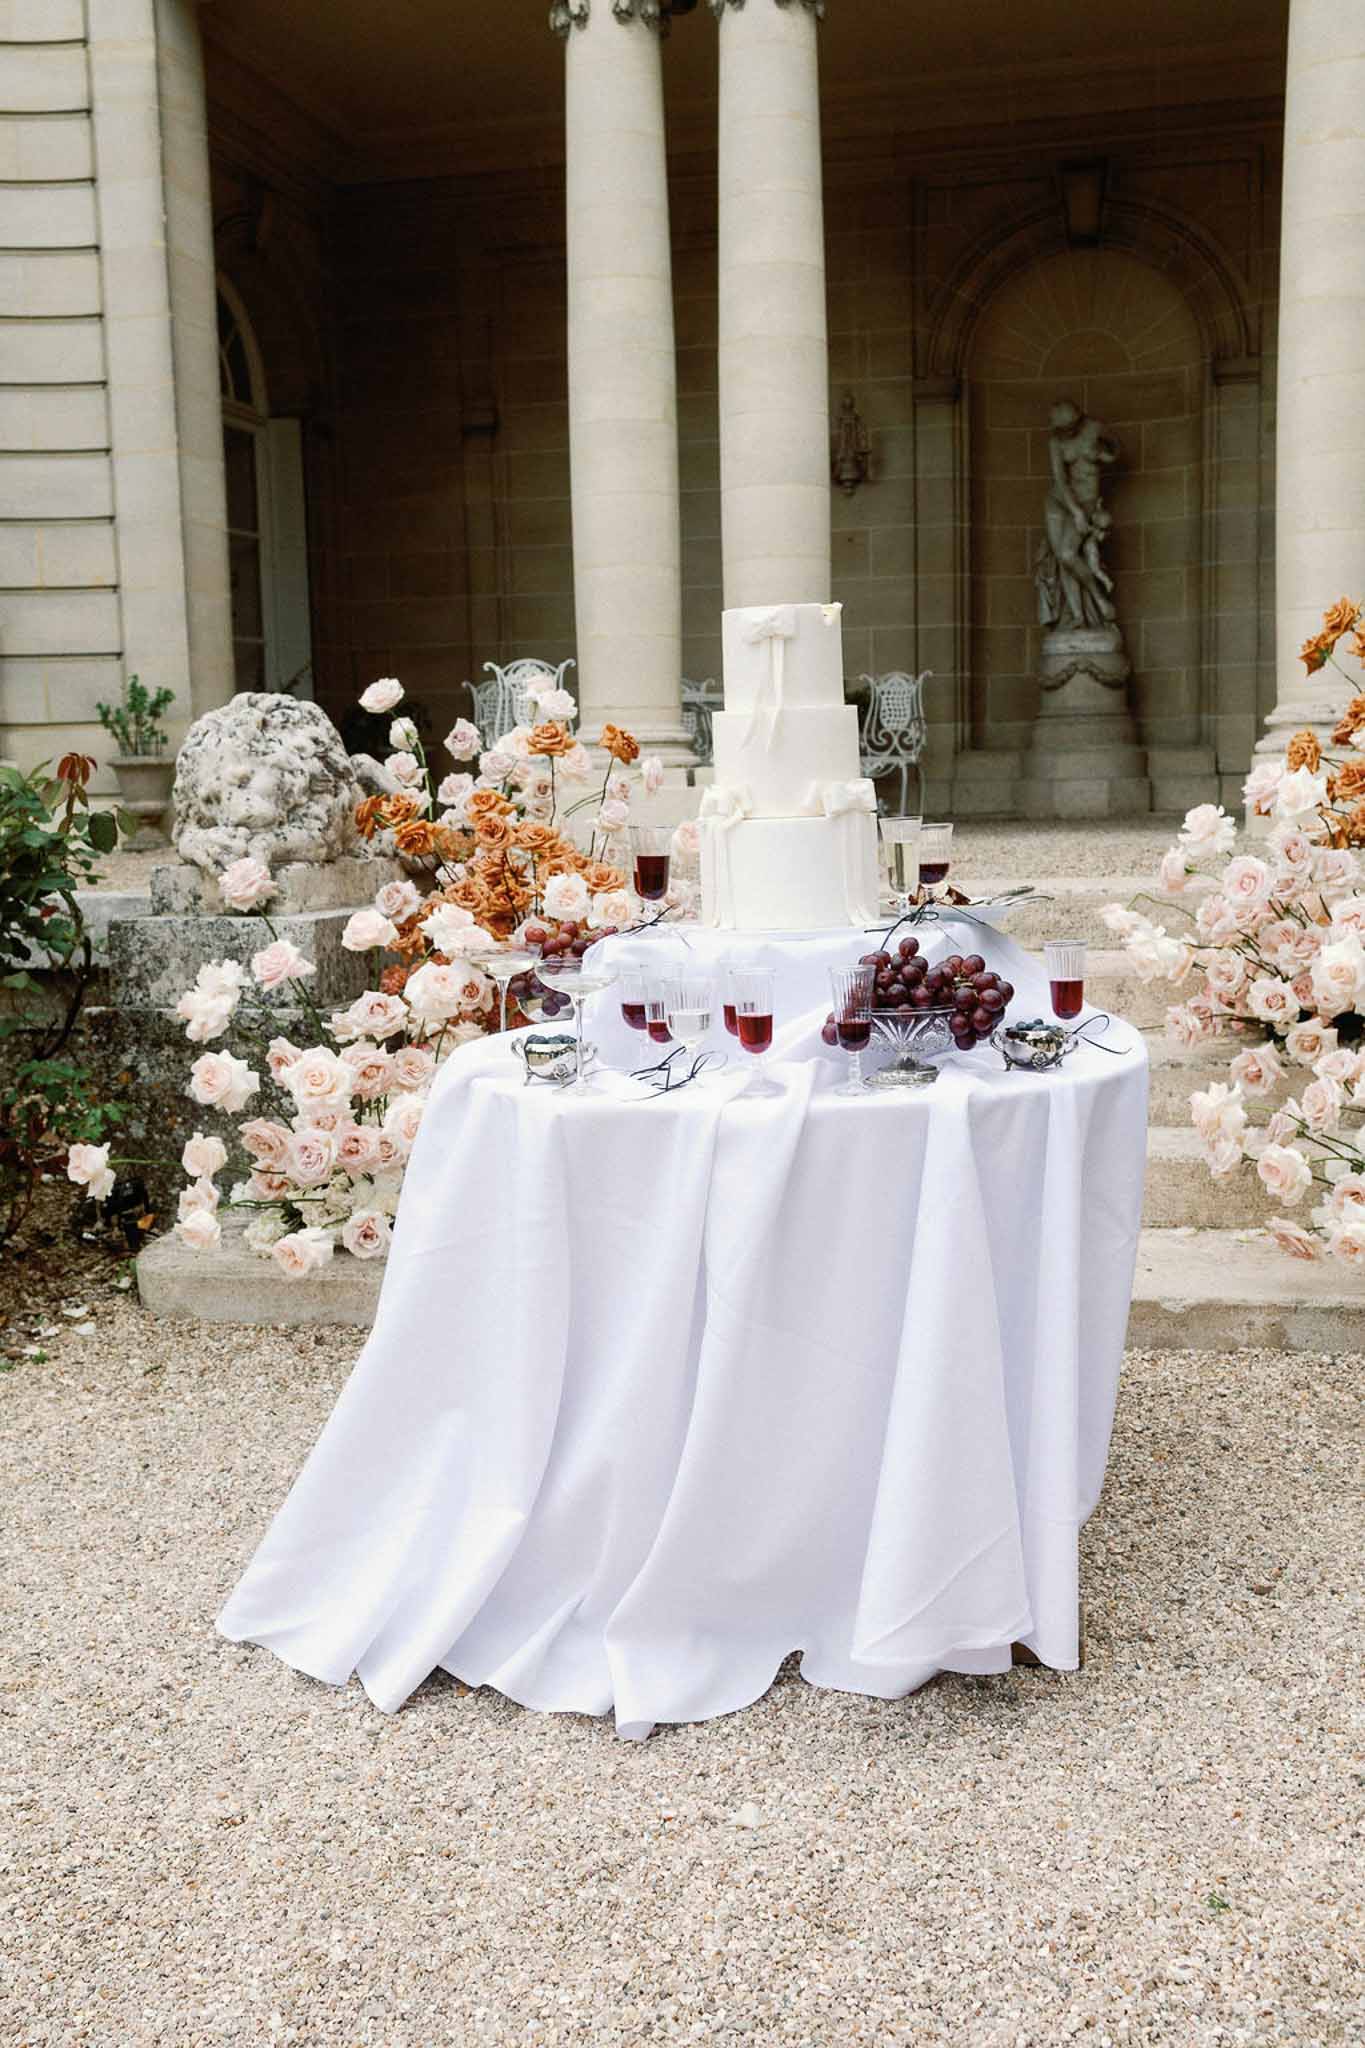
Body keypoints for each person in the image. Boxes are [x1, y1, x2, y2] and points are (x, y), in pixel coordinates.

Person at [1034, 399, 1120, 630]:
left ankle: (1100, 601)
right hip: (1059, 501)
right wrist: (1076, 514)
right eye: (1061, 430)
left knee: (1068, 553)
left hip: (1087, 499)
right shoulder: (1056, 443)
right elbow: (1060, 480)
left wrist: (1105, 453)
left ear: (1079, 421)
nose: (1066, 433)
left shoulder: (1095, 428)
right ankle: (1077, 615)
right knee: (1062, 559)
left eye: (1070, 428)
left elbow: (1116, 451)